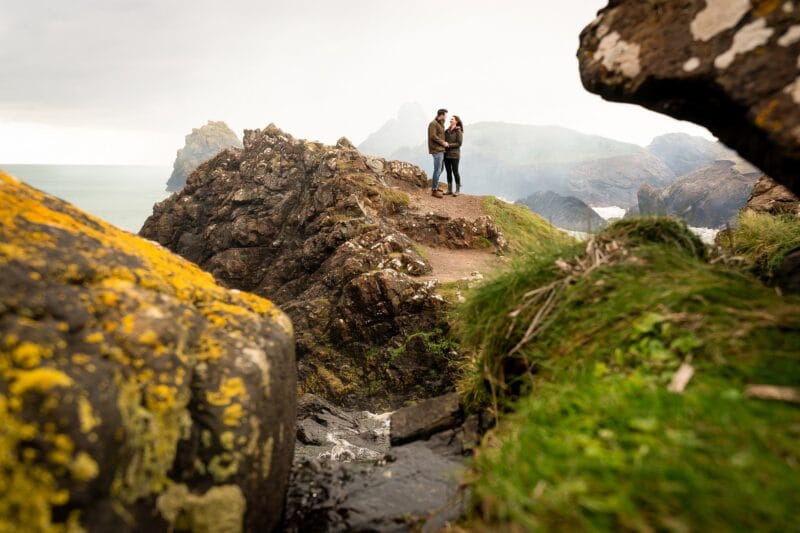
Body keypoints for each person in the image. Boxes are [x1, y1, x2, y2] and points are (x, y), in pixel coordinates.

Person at [427, 108, 449, 198]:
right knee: (437, 169)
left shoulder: (440, 123)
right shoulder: (433, 124)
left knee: (441, 168)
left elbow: (440, 135)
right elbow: (433, 136)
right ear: (442, 115)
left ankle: (434, 186)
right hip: (436, 150)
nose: (447, 116)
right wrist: (443, 143)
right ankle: (434, 190)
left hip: (441, 150)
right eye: (446, 115)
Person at [444, 115, 463, 196]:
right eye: (450, 119)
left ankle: (457, 190)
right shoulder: (446, 131)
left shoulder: (458, 131)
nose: (450, 120)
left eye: (452, 119)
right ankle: (449, 190)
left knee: (455, 172)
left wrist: (449, 145)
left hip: (455, 155)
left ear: (456, 121)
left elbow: (459, 143)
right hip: (446, 155)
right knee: (448, 172)